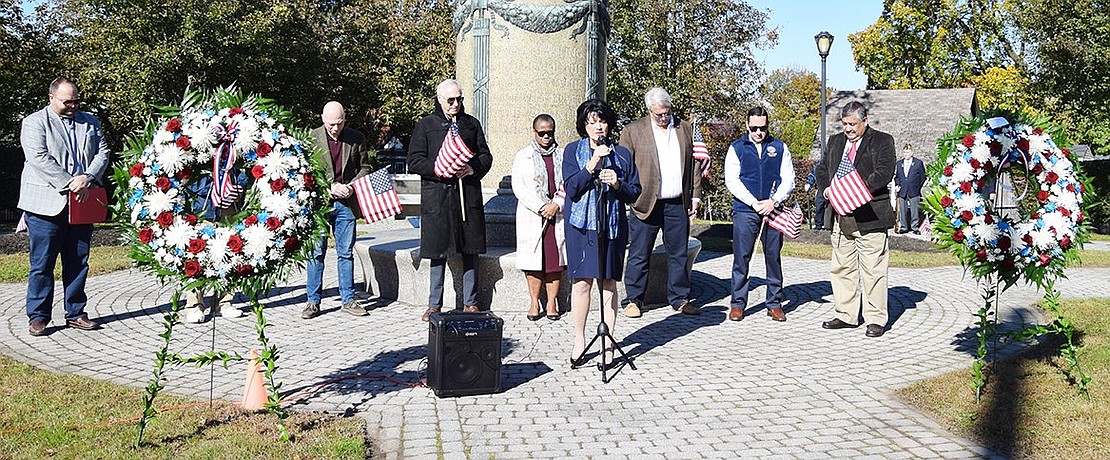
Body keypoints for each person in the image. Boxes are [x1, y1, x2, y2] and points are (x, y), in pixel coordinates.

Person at [18, 77, 110, 336]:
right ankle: (38, 316)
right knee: (42, 264)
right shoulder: (34, 122)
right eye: (67, 101)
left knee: (78, 261)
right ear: (51, 98)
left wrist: (88, 177)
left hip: (81, 204)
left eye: (76, 100)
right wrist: (71, 182)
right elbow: (38, 158)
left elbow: (102, 152)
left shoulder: (89, 121)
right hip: (45, 206)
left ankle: (76, 312)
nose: (72, 105)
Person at [563, 99, 641, 368]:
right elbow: (572, 188)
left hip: (612, 226)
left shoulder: (622, 154)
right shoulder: (573, 151)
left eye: (602, 121)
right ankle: (580, 339)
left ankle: (608, 344)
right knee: (582, 282)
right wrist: (592, 163)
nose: (598, 127)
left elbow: (635, 192)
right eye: (592, 122)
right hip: (581, 227)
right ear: (584, 126)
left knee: (608, 282)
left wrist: (618, 183)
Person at [408, 79, 493, 322]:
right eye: (451, 100)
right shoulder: (426, 125)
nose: (456, 104)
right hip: (438, 197)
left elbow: (485, 155)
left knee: (470, 250)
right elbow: (414, 159)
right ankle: (434, 304)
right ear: (440, 99)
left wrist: (472, 168)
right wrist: (438, 169)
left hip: (466, 195)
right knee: (438, 252)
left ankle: (470, 302)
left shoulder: (471, 124)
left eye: (460, 99)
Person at [619, 88, 703, 318]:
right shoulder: (632, 131)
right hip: (645, 202)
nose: (664, 118)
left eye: (667, 113)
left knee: (678, 253)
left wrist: (695, 195)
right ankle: (634, 300)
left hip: (677, 202)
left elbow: (695, 164)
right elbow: (624, 168)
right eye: (659, 115)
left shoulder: (685, 128)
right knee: (639, 253)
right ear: (649, 111)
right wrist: (628, 195)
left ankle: (680, 299)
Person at [815, 101, 896, 338]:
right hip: (840, 216)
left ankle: (875, 319)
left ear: (865, 121)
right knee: (842, 268)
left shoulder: (882, 141)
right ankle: (846, 314)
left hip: (869, 216)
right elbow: (821, 169)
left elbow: (884, 172)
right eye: (845, 124)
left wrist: (854, 192)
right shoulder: (836, 142)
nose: (848, 129)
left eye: (853, 124)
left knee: (873, 270)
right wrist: (828, 189)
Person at [724, 107, 796, 322]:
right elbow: (732, 180)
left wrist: (773, 202)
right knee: (742, 257)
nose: (758, 132)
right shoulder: (737, 148)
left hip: (773, 210)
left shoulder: (779, 147)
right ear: (747, 125)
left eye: (762, 128)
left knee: (773, 256)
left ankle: (774, 302)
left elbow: (788, 179)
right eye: (754, 128)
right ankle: (738, 303)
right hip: (746, 210)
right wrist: (754, 203)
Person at [303, 101, 373, 319]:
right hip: (320, 203)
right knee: (316, 253)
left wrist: (351, 186)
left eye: (339, 124)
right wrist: (328, 187)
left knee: (345, 252)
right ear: (323, 120)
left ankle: (348, 300)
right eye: (331, 124)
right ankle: (313, 301)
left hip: (346, 203)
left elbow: (366, 167)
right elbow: (305, 171)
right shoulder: (311, 138)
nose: (335, 128)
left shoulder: (355, 137)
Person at [511, 114, 566, 321]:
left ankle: (552, 302)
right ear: (534, 132)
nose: (546, 137)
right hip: (533, 215)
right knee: (533, 260)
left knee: (554, 261)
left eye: (549, 133)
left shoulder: (562, 155)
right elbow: (519, 187)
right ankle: (534, 301)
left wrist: (556, 205)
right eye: (541, 133)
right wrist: (541, 206)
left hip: (556, 214)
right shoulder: (522, 156)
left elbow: (568, 184)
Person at [894, 144, 926, 234]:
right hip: (902, 190)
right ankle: (904, 227)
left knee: (914, 210)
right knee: (903, 210)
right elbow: (897, 177)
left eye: (907, 152)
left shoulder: (918, 163)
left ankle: (915, 227)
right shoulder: (899, 164)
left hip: (914, 190)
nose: (905, 154)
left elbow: (922, 177)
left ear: (912, 153)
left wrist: (917, 186)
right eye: (904, 152)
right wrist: (897, 185)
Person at [806, 162, 829, 230]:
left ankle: (829, 225)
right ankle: (818, 225)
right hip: (822, 187)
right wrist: (809, 183)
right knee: (819, 205)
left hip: (833, 186)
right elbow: (814, 174)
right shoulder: (819, 164)